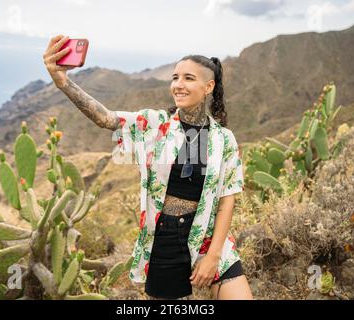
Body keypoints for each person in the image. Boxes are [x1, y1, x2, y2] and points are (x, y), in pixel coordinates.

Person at [43, 34, 253, 300]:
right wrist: (63, 82)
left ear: (208, 86)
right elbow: (106, 118)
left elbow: (227, 201)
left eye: (189, 78)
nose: (178, 84)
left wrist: (212, 257)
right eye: (175, 77)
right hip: (164, 241)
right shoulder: (154, 125)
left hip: (208, 239)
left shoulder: (223, 139)